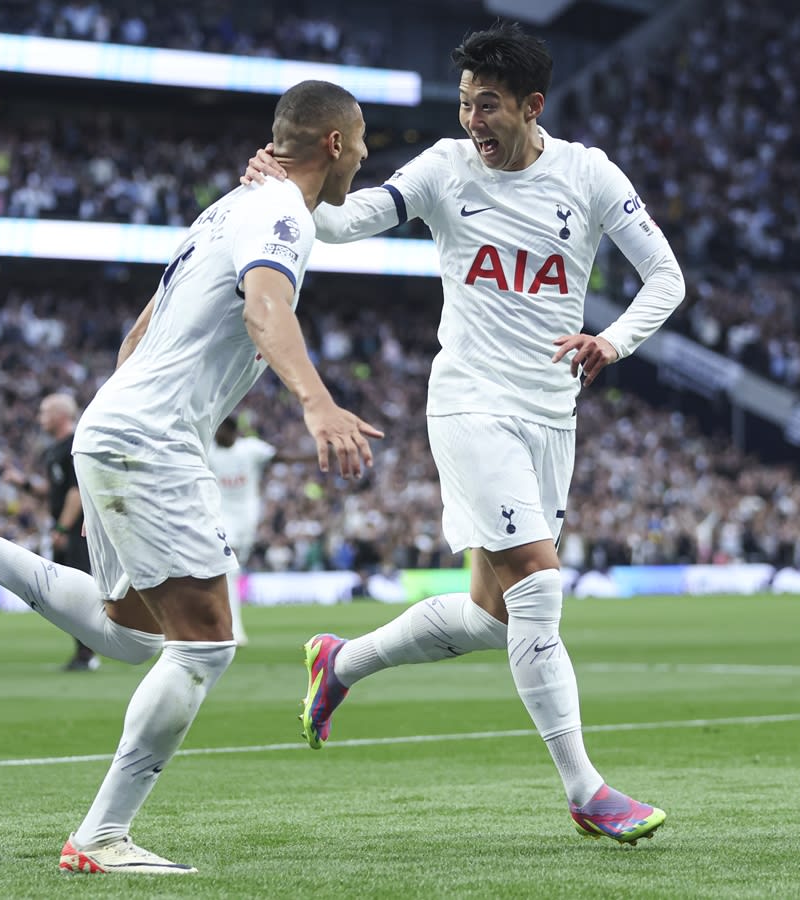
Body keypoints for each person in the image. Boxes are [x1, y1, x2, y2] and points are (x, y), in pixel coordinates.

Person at [0, 79, 381, 875]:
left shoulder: (226, 209)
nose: (369, 156)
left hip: (117, 424)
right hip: (147, 437)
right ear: (337, 144)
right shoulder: (278, 214)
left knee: (128, 632)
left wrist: (123, 422)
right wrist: (316, 404)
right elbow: (265, 311)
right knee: (206, 644)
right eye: (365, 143)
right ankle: (102, 836)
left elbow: (138, 333)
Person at [245, 22, 684, 844]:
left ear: (531, 106)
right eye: (464, 103)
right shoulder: (445, 168)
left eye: (487, 105)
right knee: (540, 588)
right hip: (469, 403)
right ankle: (586, 791)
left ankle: (337, 664)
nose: (472, 119)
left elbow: (666, 275)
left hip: (552, 414)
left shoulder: (586, 174)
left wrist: (612, 340)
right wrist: (284, 185)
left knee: (495, 617)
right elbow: (348, 220)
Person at [7, 392, 100, 672]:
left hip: (79, 531)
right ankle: (84, 650)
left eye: (44, 412)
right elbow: (55, 492)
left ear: (61, 415)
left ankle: (90, 651)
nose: (40, 418)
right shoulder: (54, 451)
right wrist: (23, 484)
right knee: (64, 594)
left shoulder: (75, 444)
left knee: (78, 590)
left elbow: (76, 491)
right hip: (66, 528)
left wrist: (62, 527)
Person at [209, 414, 311, 645]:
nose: (218, 435)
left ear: (233, 432)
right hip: (221, 517)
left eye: (222, 431)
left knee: (233, 570)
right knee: (229, 570)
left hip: (247, 519)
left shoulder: (250, 450)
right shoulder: (209, 453)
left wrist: (318, 457)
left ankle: (225, 625)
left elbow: (282, 457)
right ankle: (234, 630)